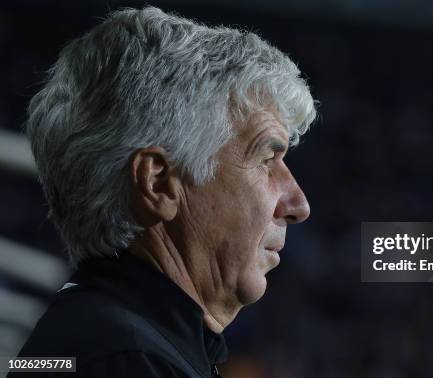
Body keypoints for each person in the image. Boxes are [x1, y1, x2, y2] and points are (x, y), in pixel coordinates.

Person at [10, 6, 315, 378]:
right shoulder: (127, 362)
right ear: (158, 184)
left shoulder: (105, 341)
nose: (298, 204)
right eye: (266, 158)